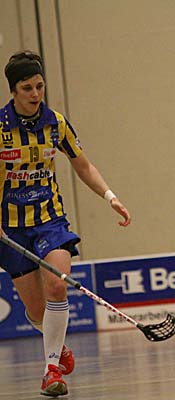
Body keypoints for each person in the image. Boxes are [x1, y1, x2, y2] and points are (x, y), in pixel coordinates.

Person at [1, 51, 131, 396]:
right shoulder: (0, 128)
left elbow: (83, 165)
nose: (35, 94)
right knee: (36, 310)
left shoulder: (55, 123)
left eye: (40, 86)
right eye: (27, 88)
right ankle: (56, 344)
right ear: (13, 91)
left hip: (49, 220)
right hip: (9, 228)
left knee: (57, 285)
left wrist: (110, 196)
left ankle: (51, 371)